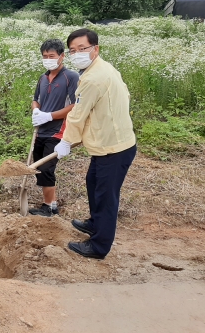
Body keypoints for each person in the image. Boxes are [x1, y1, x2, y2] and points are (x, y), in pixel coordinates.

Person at [55, 28, 136, 259]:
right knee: (93, 182)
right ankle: (95, 222)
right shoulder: (104, 67)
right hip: (108, 142)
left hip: (114, 148)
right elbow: (124, 96)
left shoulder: (92, 78)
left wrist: (66, 142)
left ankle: (99, 246)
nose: (77, 53)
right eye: (72, 50)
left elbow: (78, 114)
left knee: (105, 196)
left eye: (83, 49)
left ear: (95, 49)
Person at [29, 39, 79, 217]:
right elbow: (36, 98)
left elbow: (75, 105)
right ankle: (52, 204)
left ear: (62, 56)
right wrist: (36, 110)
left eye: (52, 56)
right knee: (39, 169)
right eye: (45, 56)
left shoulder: (71, 77)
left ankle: (48, 208)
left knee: (47, 168)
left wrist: (50, 115)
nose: (48, 59)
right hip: (40, 130)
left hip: (58, 131)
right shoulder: (43, 78)